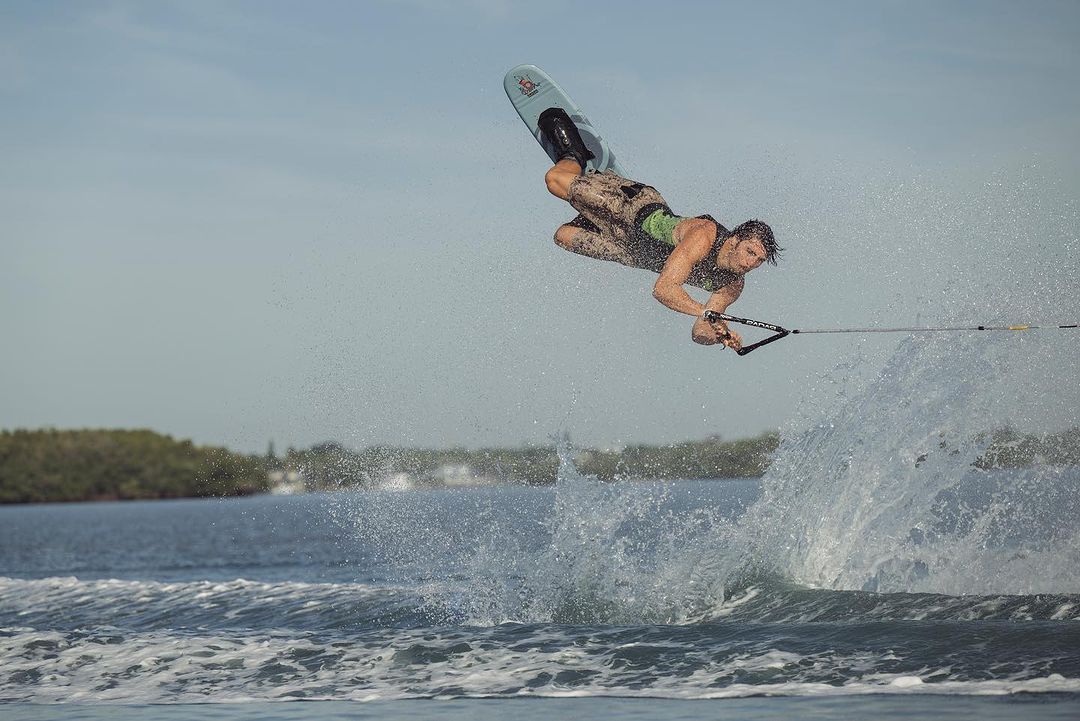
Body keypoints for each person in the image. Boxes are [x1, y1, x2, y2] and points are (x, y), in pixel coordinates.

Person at [537, 107, 781, 351]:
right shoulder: (704, 235)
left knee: (562, 236)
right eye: (750, 252)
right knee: (554, 181)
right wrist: (705, 312)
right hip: (631, 208)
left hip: (631, 252)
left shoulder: (732, 285)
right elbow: (664, 289)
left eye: (759, 260)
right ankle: (575, 156)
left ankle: (596, 217)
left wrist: (720, 335)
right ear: (736, 239)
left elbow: (700, 331)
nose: (751, 264)